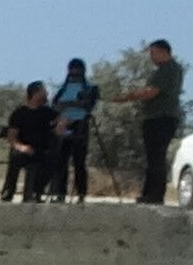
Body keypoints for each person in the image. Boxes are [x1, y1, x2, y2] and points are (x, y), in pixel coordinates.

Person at [116, 39, 186, 205]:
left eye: (153, 53)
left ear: (163, 51)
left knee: (156, 157)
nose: (151, 57)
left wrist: (129, 96)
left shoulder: (168, 69)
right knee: (153, 157)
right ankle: (149, 193)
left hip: (161, 117)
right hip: (157, 117)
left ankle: (154, 194)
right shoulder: (168, 69)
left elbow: (151, 92)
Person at [5, 83, 62, 202]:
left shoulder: (49, 113)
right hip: (24, 149)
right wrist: (22, 147)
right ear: (35, 94)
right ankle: (8, 192)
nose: (46, 94)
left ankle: (37, 192)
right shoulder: (19, 113)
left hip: (42, 150)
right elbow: (11, 138)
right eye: (44, 91)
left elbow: (61, 122)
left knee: (54, 161)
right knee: (15, 156)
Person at [53, 59, 100, 201]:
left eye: (77, 70)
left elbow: (90, 106)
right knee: (61, 160)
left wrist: (72, 105)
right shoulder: (62, 88)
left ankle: (81, 193)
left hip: (80, 124)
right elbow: (55, 105)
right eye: (71, 70)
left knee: (79, 160)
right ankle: (60, 193)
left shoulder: (91, 87)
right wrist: (73, 104)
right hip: (63, 125)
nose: (74, 73)